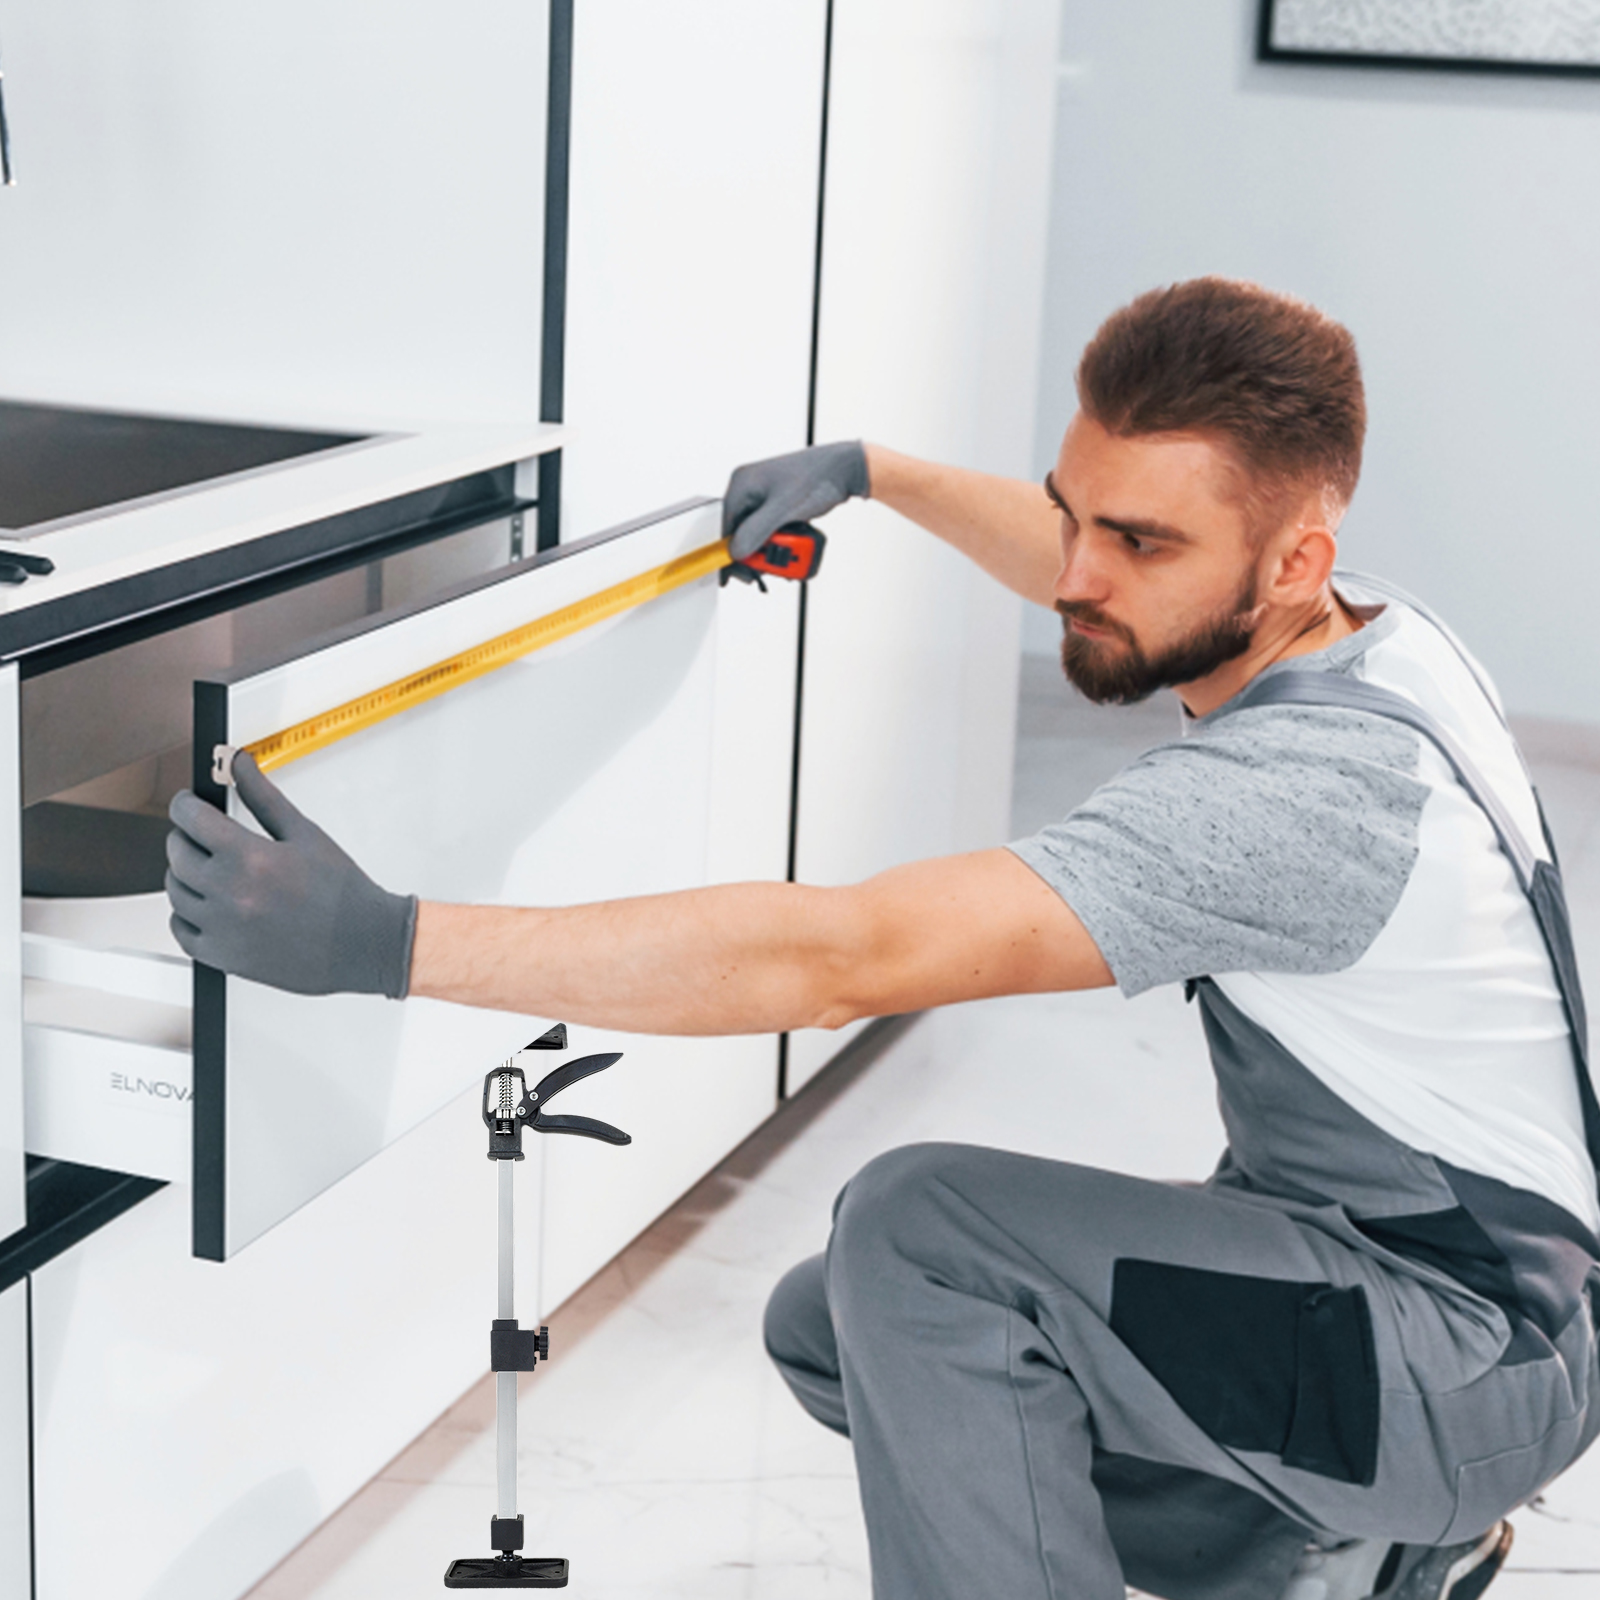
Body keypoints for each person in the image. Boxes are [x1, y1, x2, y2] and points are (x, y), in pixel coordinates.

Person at [165, 278, 1599, 1600]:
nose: (1079, 575)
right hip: (1458, 1316)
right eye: (1075, 514)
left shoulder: (1294, 798)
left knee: (923, 1237)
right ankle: (1351, 1557)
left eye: (1139, 542)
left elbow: (840, 958)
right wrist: (875, 473)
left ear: (1293, 560)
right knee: (837, 1323)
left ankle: (1386, 1513)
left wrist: (387, 942)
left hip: (1458, 1364)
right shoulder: (1380, 634)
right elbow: (1099, 564)